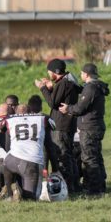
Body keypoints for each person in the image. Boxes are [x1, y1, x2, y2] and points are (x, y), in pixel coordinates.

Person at [59, 63, 109, 196]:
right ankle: (100, 187)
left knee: (88, 159)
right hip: (96, 126)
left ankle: (94, 190)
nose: (80, 75)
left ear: (86, 74)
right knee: (96, 157)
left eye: (81, 73)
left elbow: (80, 108)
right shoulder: (96, 87)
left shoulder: (90, 88)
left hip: (89, 128)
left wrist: (67, 109)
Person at [34, 58, 81, 192]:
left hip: (61, 126)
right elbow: (57, 98)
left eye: (49, 72)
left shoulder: (64, 83)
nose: (48, 74)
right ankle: (75, 186)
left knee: (63, 156)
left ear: (55, 71)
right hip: (67, 125)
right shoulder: (66, 82)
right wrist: (51, 87)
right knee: (69, 155)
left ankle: (68, 187)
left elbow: (52, 103)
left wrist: (42, 88)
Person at [1, 104, 59, 201]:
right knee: (31, 198)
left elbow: (3, 132)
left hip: (12, 159)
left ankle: (11, 193)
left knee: (6, 162)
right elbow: (50, 146)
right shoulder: (42, 118)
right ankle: (22, 193)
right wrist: (55, 169)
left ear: (16, 112)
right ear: (31, 112)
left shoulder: (10, 119)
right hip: (31, 162)